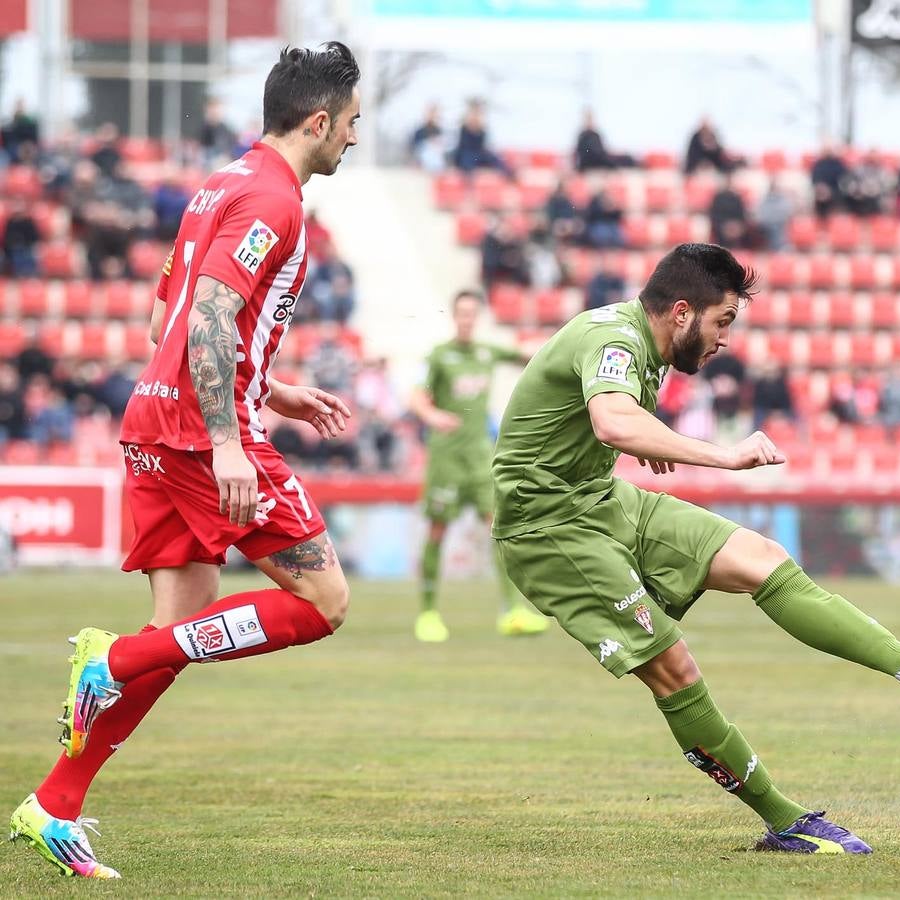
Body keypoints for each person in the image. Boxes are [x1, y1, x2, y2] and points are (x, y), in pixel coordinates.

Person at [492, 243, 900, 853]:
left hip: (600, 497)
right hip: (547, 525)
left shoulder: (648, 344)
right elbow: (612, 421)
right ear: (682, 312)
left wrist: (650, 436)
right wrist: (722, 454)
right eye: (723, 322)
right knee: (673, 671)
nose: (725, 340)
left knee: (763, 559)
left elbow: (607, 420)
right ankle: (784, 819)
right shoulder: (616, 340)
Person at [8, 42, 363, 879]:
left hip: (155, 422)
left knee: (180, 632)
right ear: (318, 120)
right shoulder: (274, 200)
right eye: (349, 123)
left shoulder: (221, 184)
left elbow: (169, 312)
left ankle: (53, 804)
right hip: (202, 441)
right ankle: (109, 661)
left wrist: (272, 389)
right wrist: (234, 437)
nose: (352, 137)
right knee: (323, 602)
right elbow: (204, 315)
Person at [407, 290, 549, 642]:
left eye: (473, 314)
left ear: (479, 317)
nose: (467, 320)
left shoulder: (487, 353)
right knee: (438, 530)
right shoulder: (439, 357)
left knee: (499, 529)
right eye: (462, 314)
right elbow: (415, 395)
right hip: (446, 457)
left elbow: (528, 356)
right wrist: (431, 415)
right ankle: (428, 613)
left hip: (480, 457)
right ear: (454, 317)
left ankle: (512, 611)